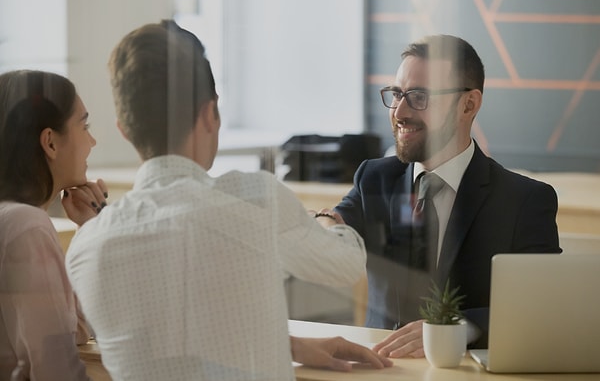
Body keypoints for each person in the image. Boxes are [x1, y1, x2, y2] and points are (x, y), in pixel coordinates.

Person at [65, 20, 392, 380]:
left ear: (124, 130)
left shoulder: (86, 247)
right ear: (210, 113)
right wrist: (326, 218)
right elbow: (345, 265)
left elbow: (172, 342)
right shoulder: (254, 199)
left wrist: (290, 345)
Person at [330, 34, 562, 357]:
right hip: (379, 371)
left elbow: (544, 305)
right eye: (397, 94)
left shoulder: (524, 201)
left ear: (469, 104)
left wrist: (455, 327)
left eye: (419, 97)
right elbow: (336, 224)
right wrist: (323, 225)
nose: (399, 112)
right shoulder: (373, 178)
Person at [0, 70, 107, 380]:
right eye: (84, 126)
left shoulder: (15, 219)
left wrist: (88, 230)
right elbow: (57, 369)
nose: (92, 141)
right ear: (50, 142)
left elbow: (75, 331)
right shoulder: (27, 226)